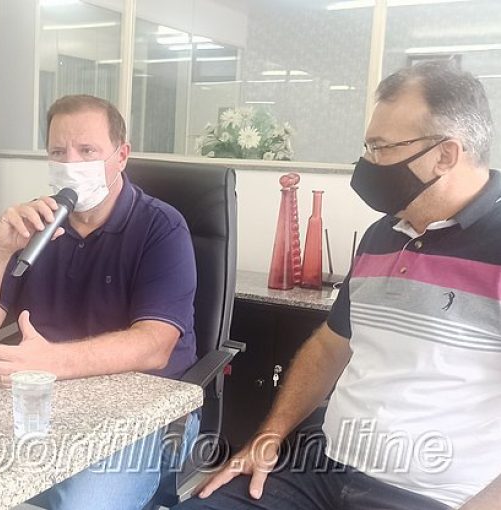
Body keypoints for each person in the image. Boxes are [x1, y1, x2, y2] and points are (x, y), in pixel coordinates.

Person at [174, 61, 501, 510]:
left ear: (445, 155)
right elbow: (331, 346)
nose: (368, 163)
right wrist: (268, 437)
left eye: (381, 148)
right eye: (368, 146)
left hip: (430, 494)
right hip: (320, 467)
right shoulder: (382, 235)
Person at [0, 94, 199, 509]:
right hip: (46, 400)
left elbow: (155, 345)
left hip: (143, 413)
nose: (71, 164)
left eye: (87, 151)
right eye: (58, 152)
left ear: (121, 156)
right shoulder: (37, 224)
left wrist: (49, 362)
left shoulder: (162, 227)